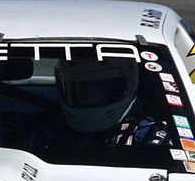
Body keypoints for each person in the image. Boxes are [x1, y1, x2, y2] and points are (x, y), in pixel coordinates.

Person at [32, 57, 170, 149]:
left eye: (99, 89)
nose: (89, 97)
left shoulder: (147, 134)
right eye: (79, 90)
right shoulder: (48, 134)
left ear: (128, 85)